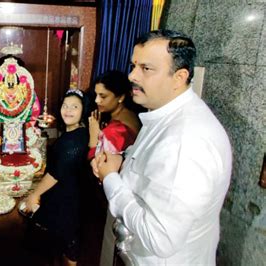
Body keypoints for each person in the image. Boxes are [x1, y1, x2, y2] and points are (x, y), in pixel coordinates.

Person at [95, 29, 232, 265]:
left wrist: (110, 179)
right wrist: (124, 160)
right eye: (134, 66)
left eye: (146, 69)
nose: (132, 76)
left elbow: (158, 238)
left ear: (179, 77)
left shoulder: (187, 141)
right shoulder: (164, 113)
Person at [24, 89, 90, 266]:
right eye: (65, 105)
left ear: (83, 110)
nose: (67, 110)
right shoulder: (74, 132)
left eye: (74, 107)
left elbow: (56, 174)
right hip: (63, 193)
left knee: (68, 241)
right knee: (60, 241)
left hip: (67, 197)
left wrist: (34, 194)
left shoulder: (74, 141)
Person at [87, 70, 141, 266]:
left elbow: (99, 164)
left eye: (103, 96)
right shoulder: (129, 115)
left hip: (114, 195)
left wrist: (94, 136)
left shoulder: (117, 129)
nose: (97, 100)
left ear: (120, 97)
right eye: (96, 95)